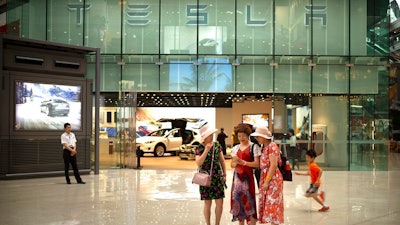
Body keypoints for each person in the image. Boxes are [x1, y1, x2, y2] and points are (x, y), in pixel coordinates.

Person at [250, 127, 284, 225]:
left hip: (272, 178)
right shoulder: (265, 147)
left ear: (264, 137)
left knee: (273, 203)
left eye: (258, 136)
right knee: (269, 204)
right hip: (266, 177)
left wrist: (267, 181)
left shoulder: (272, 146)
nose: (256, 138)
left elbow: (273, 165)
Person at [195, 125, 227, 225]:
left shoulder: (217, 145)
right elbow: (199, 162)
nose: (212, 136)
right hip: (205, 178)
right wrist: (206, 150)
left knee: (220, 203)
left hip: (217, 176)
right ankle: (208, 223)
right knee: (207, 203)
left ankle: (217, 223)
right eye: (210, 135)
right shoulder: (199, 147)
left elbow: (222, 160)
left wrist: (224, 174)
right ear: (205, 137)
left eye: (212, 134)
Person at [230, 123, 261, 225]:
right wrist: (235, 162)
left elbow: (257, 164)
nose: (241, 138)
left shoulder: (254, 147)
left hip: (248, 179)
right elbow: (232, 165)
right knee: (238, 202)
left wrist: (243, 162)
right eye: (239, 136)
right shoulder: (235, 148)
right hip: (237, 179)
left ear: (248, 135)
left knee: (249, 202)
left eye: (243, 135)